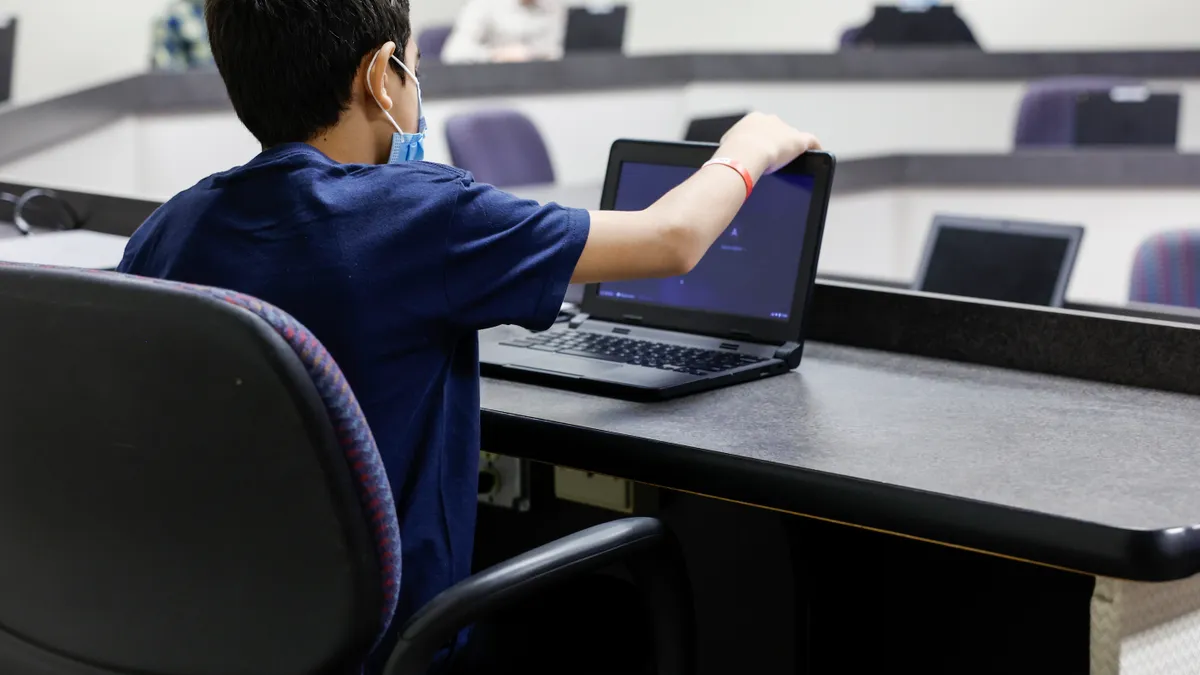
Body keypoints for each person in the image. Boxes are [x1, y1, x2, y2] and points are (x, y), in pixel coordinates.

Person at [118, 0, 820, 670]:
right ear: (379, 75)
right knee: (615, 606)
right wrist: (748, 148)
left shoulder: (169, 231)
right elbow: (671, 241)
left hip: (222, 641)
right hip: (397, 647)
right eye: (415, 69)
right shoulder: (419, 215)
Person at [441, 0, 565, 64]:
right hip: (488, 82)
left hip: (536, 85)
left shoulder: (554, 7)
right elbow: (454, 53)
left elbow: (553, 53)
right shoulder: (483, 4)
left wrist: (529, 55)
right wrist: (496, 55)